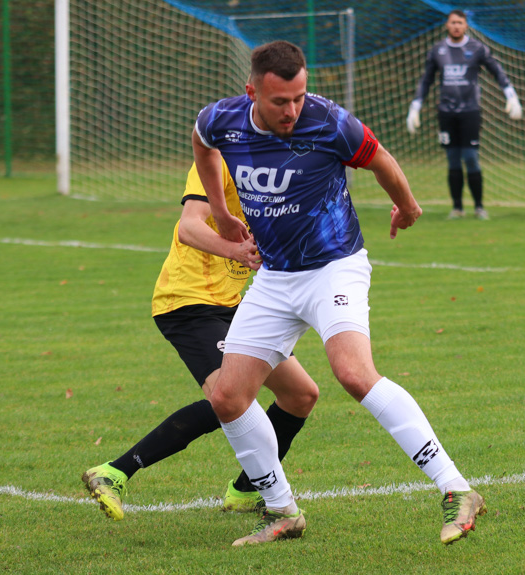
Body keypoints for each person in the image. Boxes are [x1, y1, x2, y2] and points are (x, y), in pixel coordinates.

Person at [192, 40, 486, 547]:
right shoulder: (222, 118)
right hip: (275, 276)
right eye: (280, 101)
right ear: (251, 92)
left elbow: (382, 161)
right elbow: (202, 142)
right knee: (227, 396)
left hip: (334, 268)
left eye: (299, 97)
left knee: (352, 373)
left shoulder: (329, 121)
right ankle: (282, 511)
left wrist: (408, 207)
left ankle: (457, 489)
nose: (292, 110)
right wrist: (218, 209)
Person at [81, 161, 319, 521]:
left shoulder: (285, 171)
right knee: (231, 396)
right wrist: (235, 251)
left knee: (300, 395)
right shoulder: (219, 160)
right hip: (187, 301)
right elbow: (189, 226)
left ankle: (244, 490)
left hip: (236, 304)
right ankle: (113, 472)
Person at [406, 9, 522, 220]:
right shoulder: (438, 50)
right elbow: (426, 80)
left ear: (466, 25)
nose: (456, 26)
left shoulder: (477, 48)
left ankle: (479, 207)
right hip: (446, 113)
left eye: (460, 22)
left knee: (470, 158)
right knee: (452, 159)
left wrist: (510, 95)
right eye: (453, 22)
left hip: (470, 112)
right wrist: (415, 106)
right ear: (447, 25)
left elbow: (496, 70)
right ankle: (457, 208)